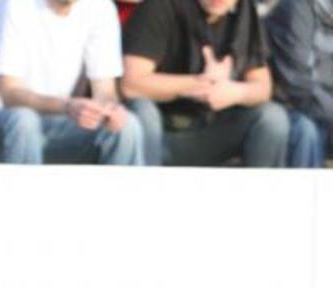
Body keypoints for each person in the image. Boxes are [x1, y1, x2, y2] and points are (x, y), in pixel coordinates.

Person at [0, 0, 144, 165]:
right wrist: (67, 106)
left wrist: (111, 110)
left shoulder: (101, 8)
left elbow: (105, 91)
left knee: (127, 128)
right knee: (22, 122)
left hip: (49, 125)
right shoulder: (13, 6)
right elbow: (10, 94)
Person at [121, 0, 290, 167]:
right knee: (142, 110)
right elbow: (131, 84)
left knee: (271, 118)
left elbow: (263, 88)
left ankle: (263, 193)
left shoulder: (244, 11)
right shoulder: (158, 7)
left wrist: (233, 92)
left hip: (212, 130)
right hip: (162, 132)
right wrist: (197, 84)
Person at [265, 0, 332, 167]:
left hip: (322, 110)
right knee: (306, 131)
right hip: (289, 106)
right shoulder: (298, 7)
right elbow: (296, 83)